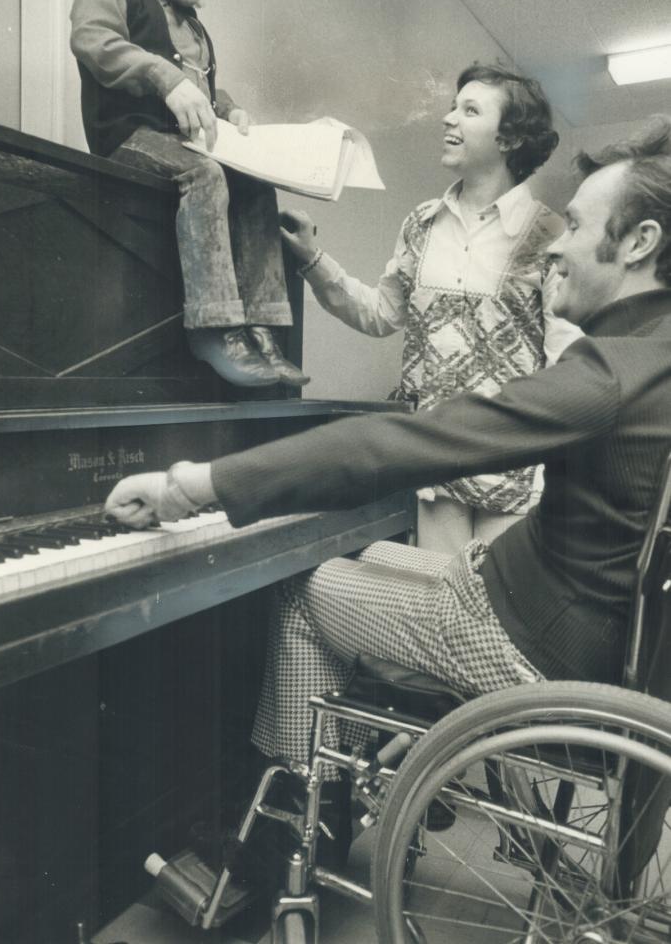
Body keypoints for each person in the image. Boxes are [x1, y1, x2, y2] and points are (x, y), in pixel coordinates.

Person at [106, 117, 671, 867]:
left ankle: (294, 830)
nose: (559, 245)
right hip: (565, 612)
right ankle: (363, 772)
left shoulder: (615, 372)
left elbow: (407, 442)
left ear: (640, 243)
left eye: (576, 224)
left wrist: (199, 484)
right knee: (368, 553)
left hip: (530, 639)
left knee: (302, 589)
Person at [282, 64, 581, 556]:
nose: (448, 119)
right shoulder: (421, 223)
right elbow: (380, 314)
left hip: (515, 461)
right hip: (434, 457)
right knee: (436, 601)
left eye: (469, 110)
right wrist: (313, 259)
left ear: (508, 139)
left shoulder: (548, 233)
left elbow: (568, 363)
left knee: (486, 612)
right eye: (452, 106)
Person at [70, 0, 308, 389]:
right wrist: (164, 78)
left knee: (252, 181)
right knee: (203, 173)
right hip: (128, 138)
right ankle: (215, 327)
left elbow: (203, 90)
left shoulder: (195, 29)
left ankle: (263, 327)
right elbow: (93, 40)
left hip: (180, 143)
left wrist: (232, 111)